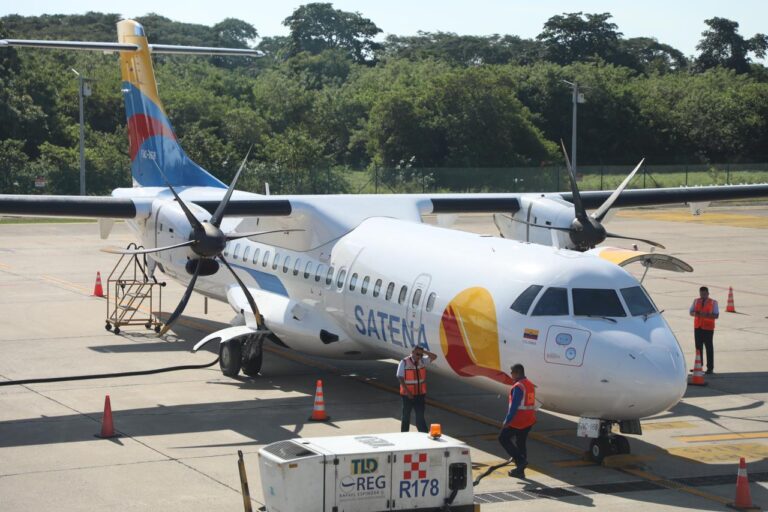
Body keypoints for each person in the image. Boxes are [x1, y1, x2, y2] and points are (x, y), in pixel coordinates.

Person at [498, 363, 536, 479]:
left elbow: (514, 406)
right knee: (521, 443)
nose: (511, 375)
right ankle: (520, 470)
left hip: (518, 421)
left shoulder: (518, 387)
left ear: (518, 373)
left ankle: (520, 461)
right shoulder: (529, 384)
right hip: (529, 420)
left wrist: (507, 421)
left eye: (512, 372)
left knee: (503, 438)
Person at [397, 345, 437, 432]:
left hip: (420, 394)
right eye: (417, 354)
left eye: (420, 355)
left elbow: (434, 356)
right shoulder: (404, 362)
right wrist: (408, 392)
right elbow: (400, 377)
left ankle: (423, 433)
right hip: (407, 395)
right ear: (412, 353)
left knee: (420, 416)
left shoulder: (422, 361)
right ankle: (404, 434)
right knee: (406, 416)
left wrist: (424, 352)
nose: (419, 356)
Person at [690, 286, 719, 374]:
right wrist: (696, 313)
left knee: (709, 348)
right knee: (698, 348)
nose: (702, 295)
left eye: (704, 294)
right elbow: (691, 312)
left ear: (708, 293)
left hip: (708, 328)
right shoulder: (696, 301)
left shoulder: (713, 302)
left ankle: (710, 368)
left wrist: (705, 315)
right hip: (698, 327)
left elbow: (716, 315)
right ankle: (699, 366)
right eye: (701, 293)